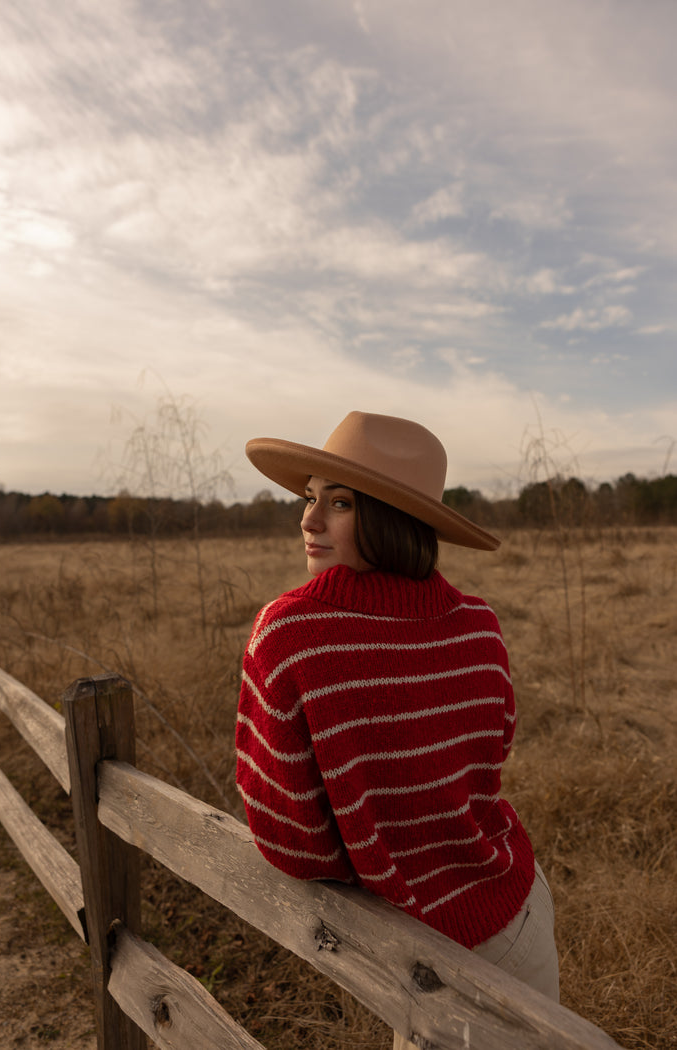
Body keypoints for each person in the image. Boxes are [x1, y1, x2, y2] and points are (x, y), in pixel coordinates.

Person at [235, 411, 559, 1047]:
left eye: (340, 503)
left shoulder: (289, 633)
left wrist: (376, 851)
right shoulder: (481, 624)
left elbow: (291, 840)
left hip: (425, 951)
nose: (308, 520)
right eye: (309, 498)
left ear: (391, 517)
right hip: (518, 911)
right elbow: (491, 760)